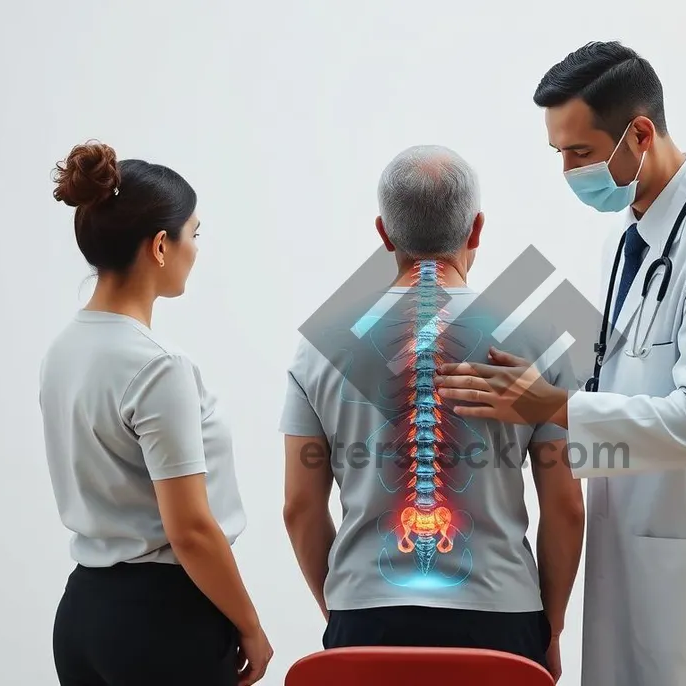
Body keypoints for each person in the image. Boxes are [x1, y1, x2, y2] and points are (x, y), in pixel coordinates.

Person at [434, 42, 686, 686]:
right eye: (560, 155)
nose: (570, 171)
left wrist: (548, 404)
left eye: (581, 152)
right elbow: (621, 385)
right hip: (624, 557)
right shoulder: (624, 242)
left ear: (639, 132)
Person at [279, 144, 586, 681]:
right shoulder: (541, 338)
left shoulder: (318, 345)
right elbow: (565, 509)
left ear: (383, 233)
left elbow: (299, 509)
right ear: (477, 230)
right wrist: (550, 627)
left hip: (365, 617)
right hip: (500, 621)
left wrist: (343, 611)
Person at [40, 141, 274, 686]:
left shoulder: (64, 348)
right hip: (162, 621)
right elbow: (190, 528)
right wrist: (251, 625)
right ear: (161, 246)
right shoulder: (158, 367)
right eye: (194, 233)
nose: (197, 247)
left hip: (83, 613)